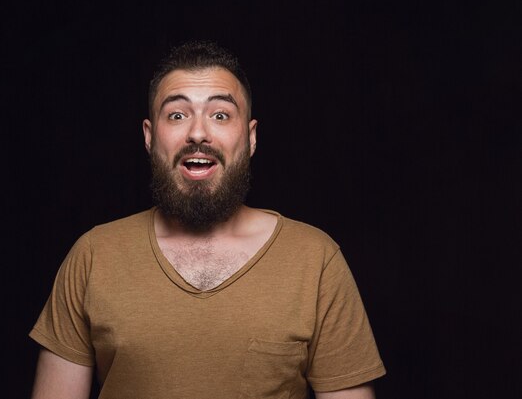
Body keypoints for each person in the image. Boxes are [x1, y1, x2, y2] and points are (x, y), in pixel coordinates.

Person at [29, 40, 386, 399]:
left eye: (220, 115)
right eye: (177, 115)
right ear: (150, 138)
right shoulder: (93, 256)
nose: (198, 133)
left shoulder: (316, 260)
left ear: (250, 138)